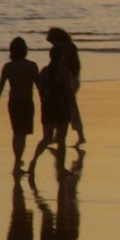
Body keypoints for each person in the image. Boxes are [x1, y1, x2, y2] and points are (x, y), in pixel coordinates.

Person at [0, 36, 40, 174]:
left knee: (16, 133)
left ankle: (17, 162)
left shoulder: (8, 67)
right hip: (26, 102)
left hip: (13, 102)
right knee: (22, 134)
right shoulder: (31, 66)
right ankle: (17, 162)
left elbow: (0, 87)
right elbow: (39, 85)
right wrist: (44, 100)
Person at [30, 44, 76, 172]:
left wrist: (44, 101)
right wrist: (73, 108)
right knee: (61, 140)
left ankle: (33, 161)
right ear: (62, 57)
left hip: (48, 107)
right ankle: (61, 167)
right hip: (61, 107)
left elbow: (40, 89)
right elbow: (69, 91)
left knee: (46, 138)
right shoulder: (64, 72)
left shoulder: (44, 71)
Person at [46, 27, 85, 144]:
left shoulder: (63, 48)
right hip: (74, 79)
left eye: (52, 42)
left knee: (64, 108)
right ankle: (77, 135)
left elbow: (61, 66)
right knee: (69, 108)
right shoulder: (70, 46)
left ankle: (62, 135)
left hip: (68, 81)